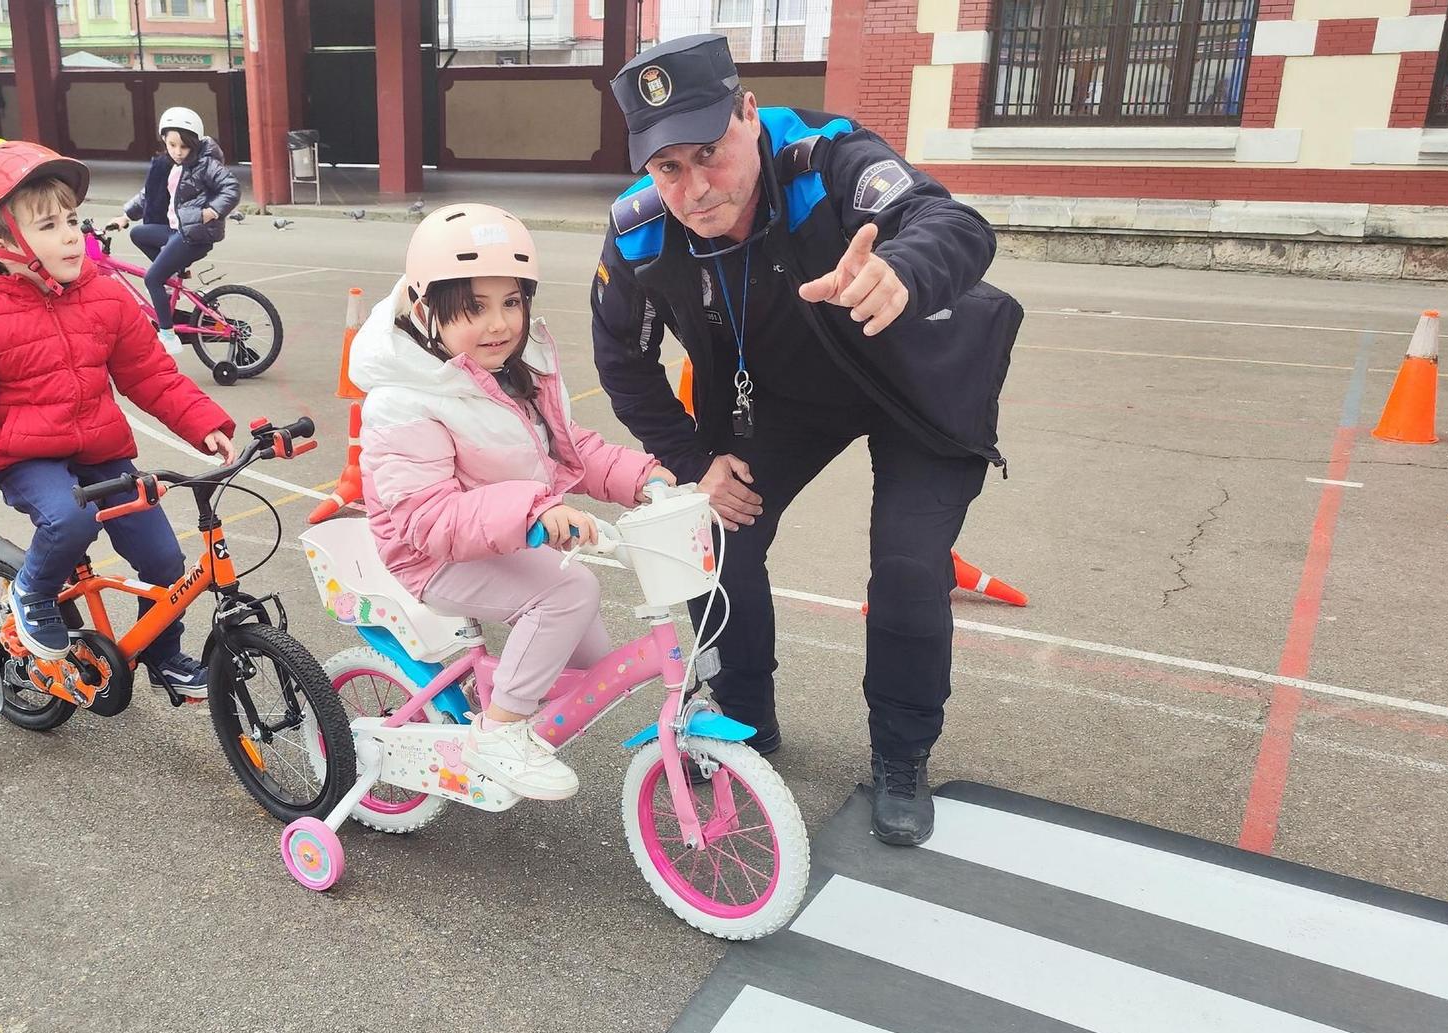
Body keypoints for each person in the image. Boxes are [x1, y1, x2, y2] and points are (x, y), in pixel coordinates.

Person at [591, 35, 1022, 844]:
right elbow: (621, 357)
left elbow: (951, 222)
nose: (694, 187)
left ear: (748, 114)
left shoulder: (827, 160)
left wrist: (905, 269)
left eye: (710, 153)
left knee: (904, 562)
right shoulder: (641, 229)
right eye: (668, 167)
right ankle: (746, 722)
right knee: (714, 539)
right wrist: (693, 460)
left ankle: (902, 751)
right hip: (784, 398)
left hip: (911, 382)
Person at [358, 203, 674, 801]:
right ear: (428, 311)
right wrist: (534, 510)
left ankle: (510, 696)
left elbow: (567, 447)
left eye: (511, 302)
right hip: (432, 554)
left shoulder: (509, 369)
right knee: (570, 590)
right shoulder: (402, 400)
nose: (498, 324)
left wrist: (646, 479)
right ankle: (498, 735)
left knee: (597, 664)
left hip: (505, 536)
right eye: (473, 308)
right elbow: (426, 518)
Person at [0, 141, 237, 699]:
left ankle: (164, 654)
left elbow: (150, 373)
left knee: (163, 558)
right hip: (25, 456)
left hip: (99, 450)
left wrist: (202, 421)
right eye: (49, 225)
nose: (72, 234)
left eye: (71, 219)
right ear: (0, 246)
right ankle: (33, 594)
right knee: (70, 520)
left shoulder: (103, 295)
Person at [117, 107, 238, 349]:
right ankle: (171, 270)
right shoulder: (170, 165)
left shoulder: (204, 164)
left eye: (184, 147)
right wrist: (125, 216)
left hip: (194, 235)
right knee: (139, 233)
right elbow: (148, 194)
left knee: (152, 279)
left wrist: (211, 212)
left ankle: (167, 334)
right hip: (177, 231)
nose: (178, 152)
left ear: (194, 143)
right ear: (164, 140)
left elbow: (231, 188)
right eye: (172, 145)